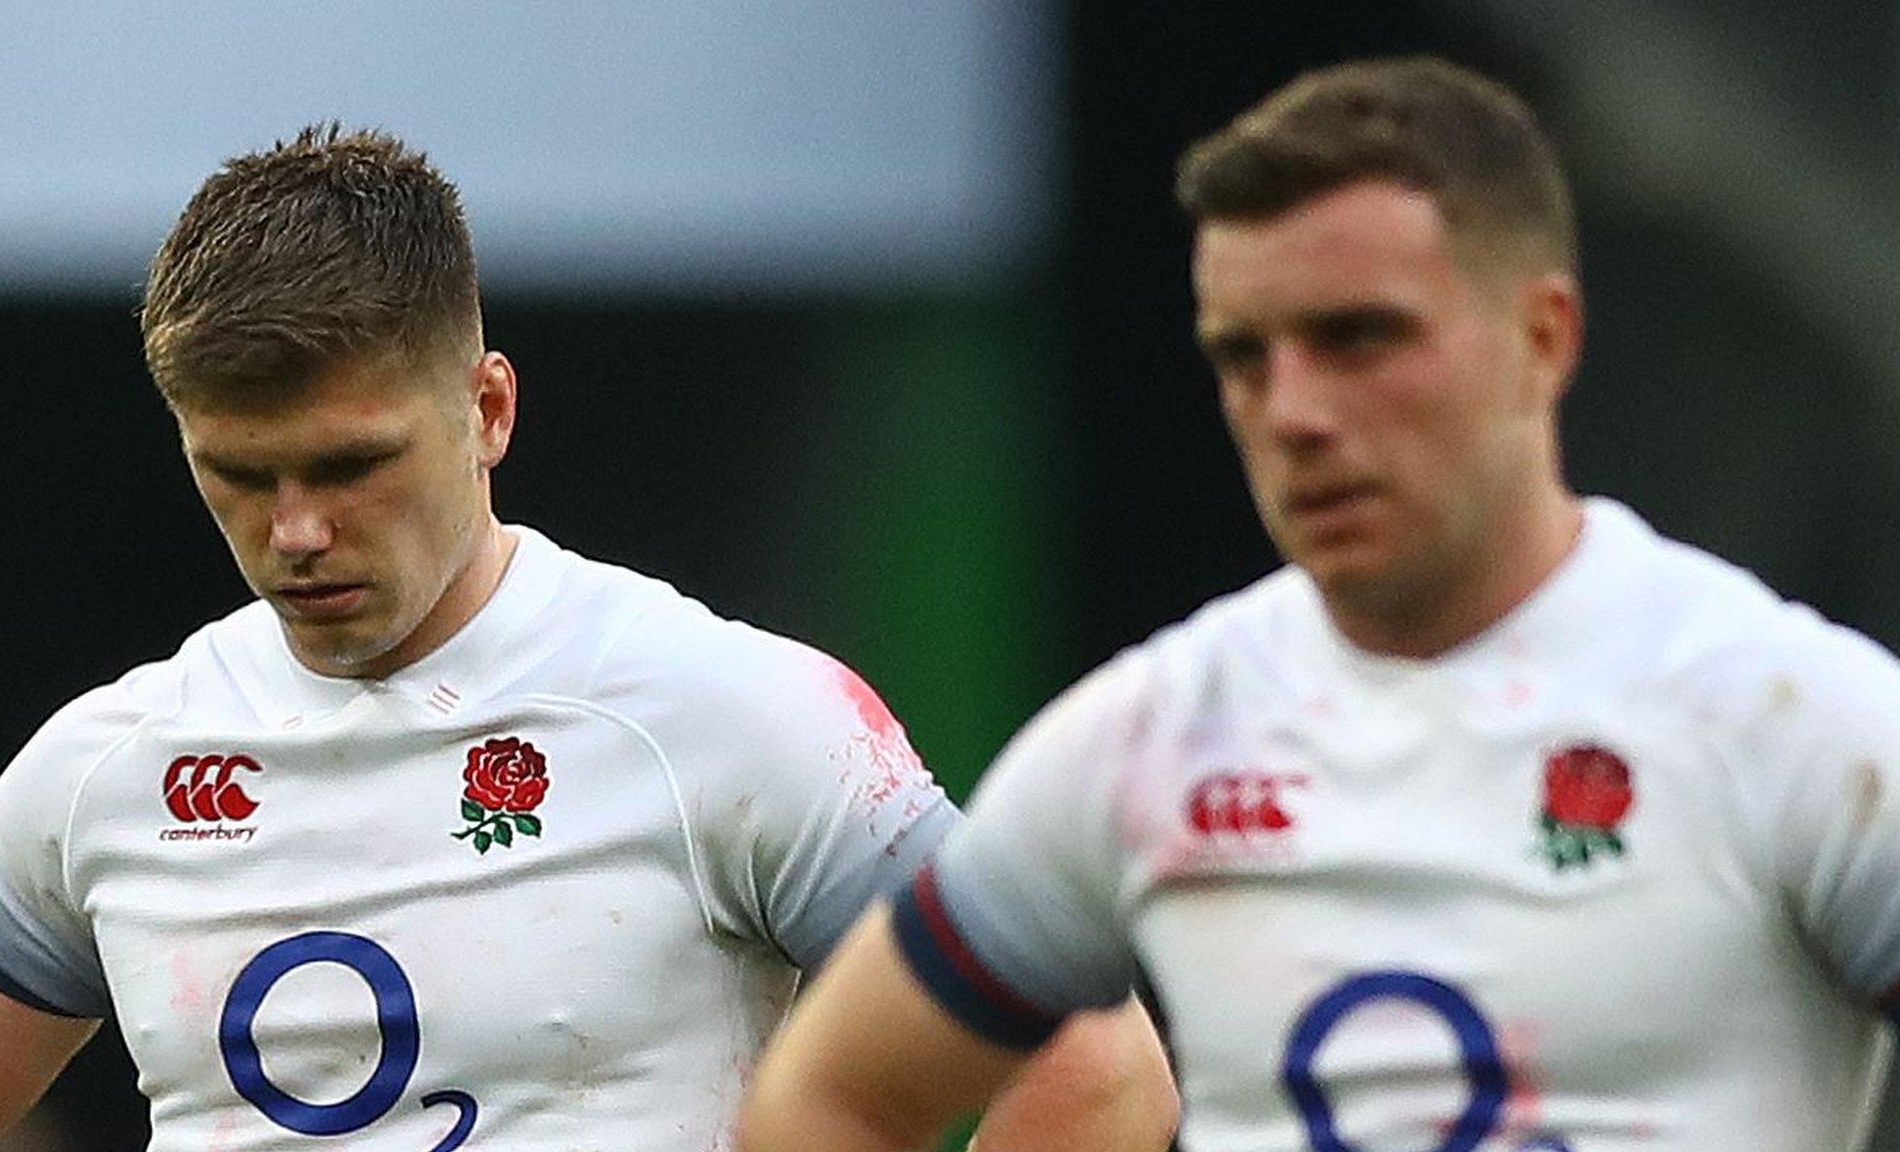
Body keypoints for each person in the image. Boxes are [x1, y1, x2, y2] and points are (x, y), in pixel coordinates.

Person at [0, 126, 1173, 1152]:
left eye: (349, 463)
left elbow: (1094, 1075)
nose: (296, 530)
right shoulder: (112, 767)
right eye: (240, 475)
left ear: (487, 410)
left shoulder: (719, 715)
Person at [738, 56, 1900, 1152]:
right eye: (1243, 356)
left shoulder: (1782, 718)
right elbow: (835, 1097)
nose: (1291, 411)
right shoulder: (1153, 738)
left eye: (1357, 337)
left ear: (1542, 337)